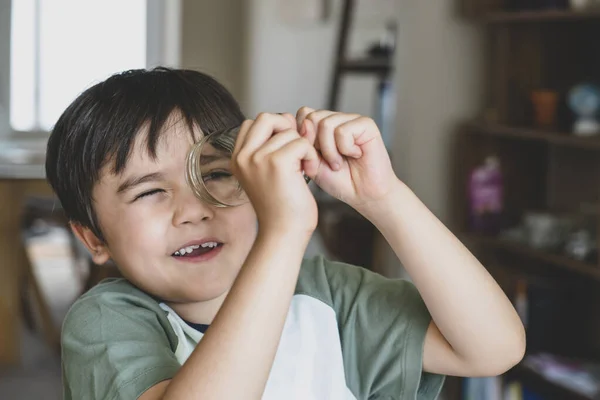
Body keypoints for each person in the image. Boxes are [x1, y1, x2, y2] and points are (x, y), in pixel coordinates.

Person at [46, 67, 525, 400]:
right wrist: (282, 233)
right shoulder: (107, 323)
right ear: (93, 239)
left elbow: (493, 348)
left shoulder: (330, 298)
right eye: (149, 192)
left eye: (214, 174)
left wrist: (384, 199)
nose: (193, 211)